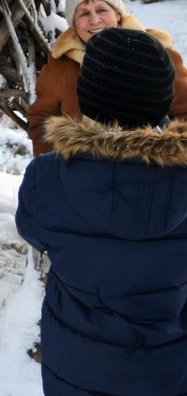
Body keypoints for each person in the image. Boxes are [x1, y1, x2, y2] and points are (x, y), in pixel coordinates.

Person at [15, 27, 187, 395]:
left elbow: (32, 230)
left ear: (87, 96)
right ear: (163, 99)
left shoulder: (47, 177)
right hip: (170, 367)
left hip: (77, 366)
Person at [26, 0, 187, 155]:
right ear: (73, 23)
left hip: (148, 169)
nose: (95, 20)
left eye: (102, 10)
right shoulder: (61, 65)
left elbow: (184, 111)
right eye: (84, 13)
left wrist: (170, 158)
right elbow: (41, 117)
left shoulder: (155, 55)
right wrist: (58, 167)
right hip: (85, 174)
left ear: (117, 14)